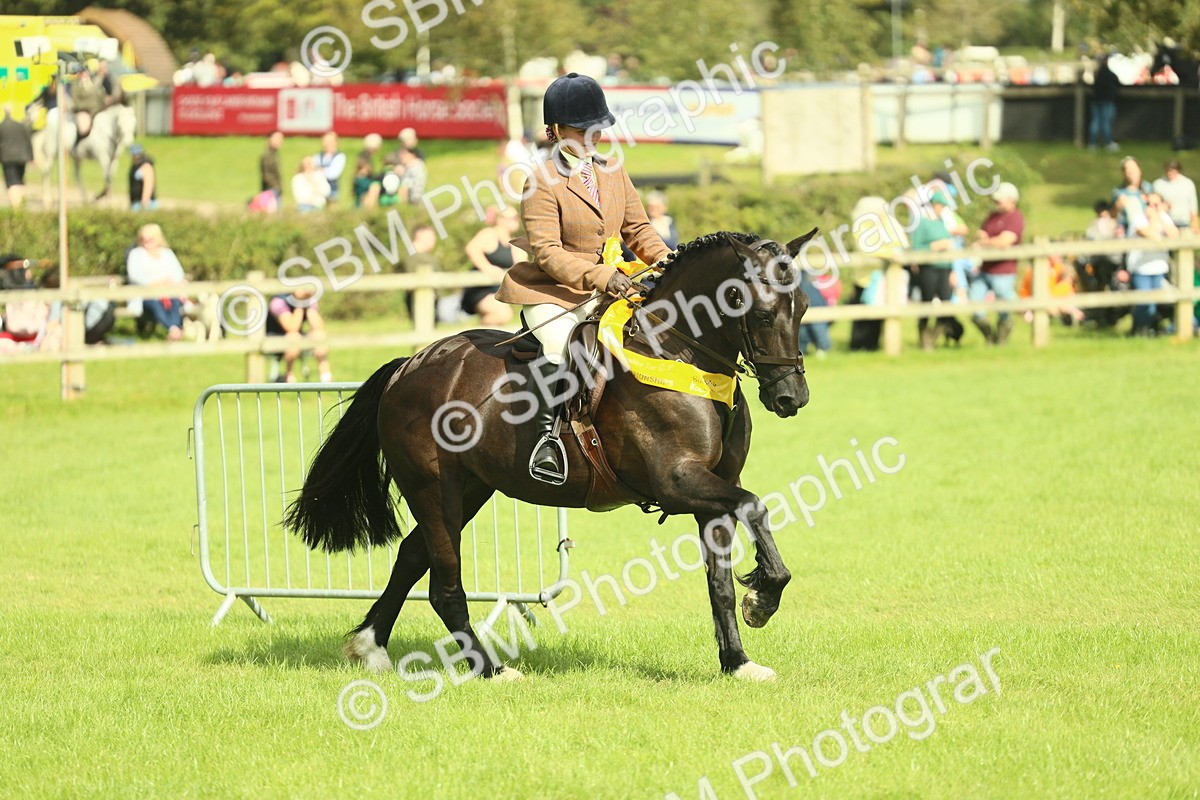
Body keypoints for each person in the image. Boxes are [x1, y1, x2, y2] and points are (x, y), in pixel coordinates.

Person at [494, 72, 672, 484]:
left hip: (611, 282)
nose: (592, 137)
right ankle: (549, 442)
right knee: (560, 347)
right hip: (552, 292)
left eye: (597, 128)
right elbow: (549, 253)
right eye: (581, 129)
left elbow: (639, 231)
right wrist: (600, 275)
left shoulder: (613, 172)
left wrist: (669, 262)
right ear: (554, 129)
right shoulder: (540, 181)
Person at [970, 182, 1025, 345]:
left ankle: (1001, 341)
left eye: (1000, 201)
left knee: (1004, 308)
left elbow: (1005, 241)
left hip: (1003, 270)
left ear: (1011, 200)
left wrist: (986, 241)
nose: (996, 204)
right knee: (974, 306)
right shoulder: (992, 216)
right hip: (984, 269)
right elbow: (980, 234)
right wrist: (987, 240)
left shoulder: (1016, 217)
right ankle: (989, 337)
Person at [1119, 192, 1179, 335]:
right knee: (1146, 303)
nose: (1151, 207)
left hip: (1159, 267)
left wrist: (1160, 217)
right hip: (1141, 268)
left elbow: (1175, 235)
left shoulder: (1164, 218)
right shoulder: (1138, 219)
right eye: (1149, 204)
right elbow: (1151, 235)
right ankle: (1139, 331)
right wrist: (1153, 218)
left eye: (1155, 204)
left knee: (1157, 302)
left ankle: (1147, 330)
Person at [910, 192, 959, 350]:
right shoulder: (923, 223)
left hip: (944, 267)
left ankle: (934, 337)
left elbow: (949, 246)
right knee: (927, 301)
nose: (941, 209)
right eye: (939, 205)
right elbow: (917, 248)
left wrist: (952, 269)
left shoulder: (941, 222)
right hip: (929, 267)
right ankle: (924, 339)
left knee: (946, 303)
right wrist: (933, 247)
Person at [126, 224, 189, 341]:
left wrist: (169, 282)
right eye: (143, 239)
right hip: (146, 294)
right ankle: (174, 329)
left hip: (169, 291)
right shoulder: (136, 253)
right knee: (154, 303)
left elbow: (178, 274)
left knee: (175, 301)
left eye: (150, 239)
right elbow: (134, 275)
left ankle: (174, 329)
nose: (147, 242)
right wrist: (155, 283)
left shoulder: (167, 253)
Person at [462, 207, 524, 326]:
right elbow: (472, 249)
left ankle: (480, 340)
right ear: (500, 220)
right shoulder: (490, 234)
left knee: (499, 321)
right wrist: (487, 268)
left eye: (517, 218)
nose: (516, 220)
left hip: (497, 290)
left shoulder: (512, 243)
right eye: (513, 218)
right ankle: (472, 336)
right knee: (504, 314)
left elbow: (520, 264)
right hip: (480, 290)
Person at [266, 286, 332, 382]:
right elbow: (292, 328)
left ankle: (326, 377)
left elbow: (319, 327)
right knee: (294, 337)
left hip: (296, 337)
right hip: (274, 339)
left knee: (319, 335)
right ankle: (288, 376)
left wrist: (308, 304)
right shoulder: (279, 302)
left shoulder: (308, 301)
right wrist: (299, 304)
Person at [1152, 159, 1199, 234]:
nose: (1170, 173)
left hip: (1184, 222)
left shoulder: (1187, 184)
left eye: (1173, 171)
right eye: (1168, 170)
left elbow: (1193, 207)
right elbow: (1153, 204)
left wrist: (1195, 224)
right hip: (1166, 223)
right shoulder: (1158, 184)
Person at [0, 104, 33, 209]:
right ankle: (20, 204)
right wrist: (31, 157)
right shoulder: (21, 126)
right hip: (22, 157)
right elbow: (28, 142)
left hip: (7, 158)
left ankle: (16, 207)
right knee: (20, 180)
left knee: (11, 182)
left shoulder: (2, 126)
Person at [1112, 156, 1153, 232]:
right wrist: (1117, 207)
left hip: (1150, 221)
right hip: (1130, 226)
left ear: (1139, 170)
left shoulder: (1148, 188)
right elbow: (1112, 215)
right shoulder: (1119, 191)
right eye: (1127, 169)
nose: (1131, 172)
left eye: (1133, 168)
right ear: (1123, 173)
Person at [1089, 54, 1120, 151]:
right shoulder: (1110, 75)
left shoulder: (1096, 74)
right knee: (1106, 122)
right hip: (1107, 101)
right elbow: (1117, 83)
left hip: (1096, 100)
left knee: (1095, 122)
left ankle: (1092, 143)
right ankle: (1108, 143)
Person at [70, 68, 105, 142]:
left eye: (86, 72)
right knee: (83, 125)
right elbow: (76, 102)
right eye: (82, 73)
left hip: (98, 111)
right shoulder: (76, 85)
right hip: (85, 112)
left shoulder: (94, 82)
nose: (85, 75)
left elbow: (100, 97)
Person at [314, 132, 346, 204]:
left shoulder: (339, 156)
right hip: (318, 189)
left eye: (329, 141)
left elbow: (333, 174)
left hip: (332, 190)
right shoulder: (318, 156)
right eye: (324, 141)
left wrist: (320, 170)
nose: (326, 144)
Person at [128, 143, 157, 211]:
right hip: (136, 203)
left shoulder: (146, 166)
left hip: (144, 204)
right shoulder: (135, 166)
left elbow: (148, 184)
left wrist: (144, 202)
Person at [260, 131, 284, 199]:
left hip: (275, 189)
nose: (280, 141)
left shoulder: (274, 154)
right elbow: (266, 175)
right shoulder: (267, 155)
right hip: (271, 190)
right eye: (277, 139)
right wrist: (276, 187)